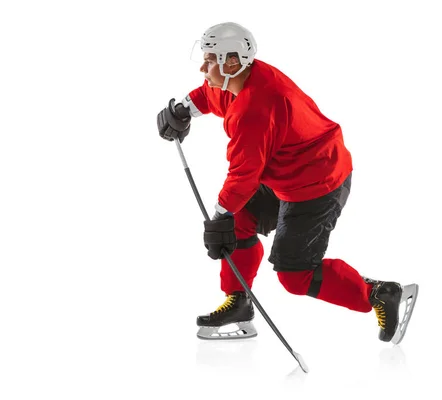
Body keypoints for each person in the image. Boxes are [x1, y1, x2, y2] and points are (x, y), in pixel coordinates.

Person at [156, 22, 418, 344]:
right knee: (236, 218)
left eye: (210, 59)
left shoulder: (255, 108)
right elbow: (211, 95)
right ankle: (240, 303)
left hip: (317, 183)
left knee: (295, 276)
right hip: (285, 173)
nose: (202, 66)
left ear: (233, 62)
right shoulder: (238, 80)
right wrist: (181, 109)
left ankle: (379, 294)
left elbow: (243, 175)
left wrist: (219, 217)